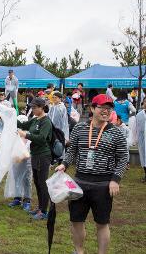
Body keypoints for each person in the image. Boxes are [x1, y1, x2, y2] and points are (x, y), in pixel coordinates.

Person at [55, 94, 128, 254]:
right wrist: (64, 164)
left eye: (109, 109)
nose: (106, 111)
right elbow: (72, 151)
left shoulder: (116, 133)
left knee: (102, 223)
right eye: (102, 107)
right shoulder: (80, 128)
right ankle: (79, 251)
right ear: (92, 108)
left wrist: (115, 179)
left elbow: (124, 158)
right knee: (76, 221)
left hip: (103, 186)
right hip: (79, 183)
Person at [17, 97, 53, 220]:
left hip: (43, 156)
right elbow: (22, 124)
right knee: (37, 182)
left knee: (43, 183)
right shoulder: (34, 119)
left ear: (42, 108)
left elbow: (42, 138)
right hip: (35, 155)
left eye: (34, 107)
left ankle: (44, 211)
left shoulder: (46, 122)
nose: (32, 110)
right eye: (31, 107)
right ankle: (40, 207)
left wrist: (26, 134)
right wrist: (10, 116)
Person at [7, 115, 32, 212]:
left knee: (26, 181)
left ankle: (27, 200)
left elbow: (29, 150)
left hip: (26, 162)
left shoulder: (29, 136)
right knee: (16, 179)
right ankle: (17, 198)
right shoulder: (15, 135)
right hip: (16, 162)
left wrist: (23, 157)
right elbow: (12, 148)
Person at [135, 97, 146, 182]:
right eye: (145, 102)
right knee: (143, 157)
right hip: (142, 139)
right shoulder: (139, 115)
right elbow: (137, 128)